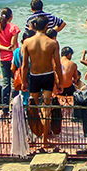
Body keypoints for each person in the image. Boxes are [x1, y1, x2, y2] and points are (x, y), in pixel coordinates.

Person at [21, 15, 64, 148]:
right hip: (48, 76)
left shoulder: (27, 42)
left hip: (34, 76)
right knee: (46, 109)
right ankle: (45, 141)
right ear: (47, 27)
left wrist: (24, 81)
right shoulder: (53, 43)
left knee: (33, 109)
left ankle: (33, 138)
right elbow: (57, 64)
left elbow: (24, 65)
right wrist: (60, 82)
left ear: (34, 26)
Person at [0, 7, 20, 110]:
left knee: (5, 82)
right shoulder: (14, 28)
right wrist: (10, 51)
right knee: (14, 82)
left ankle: (4, 108)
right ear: (11, 17)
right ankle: (14, 108)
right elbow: (13, 46)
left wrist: (4, 48)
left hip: (2, 59)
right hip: (13, 58)